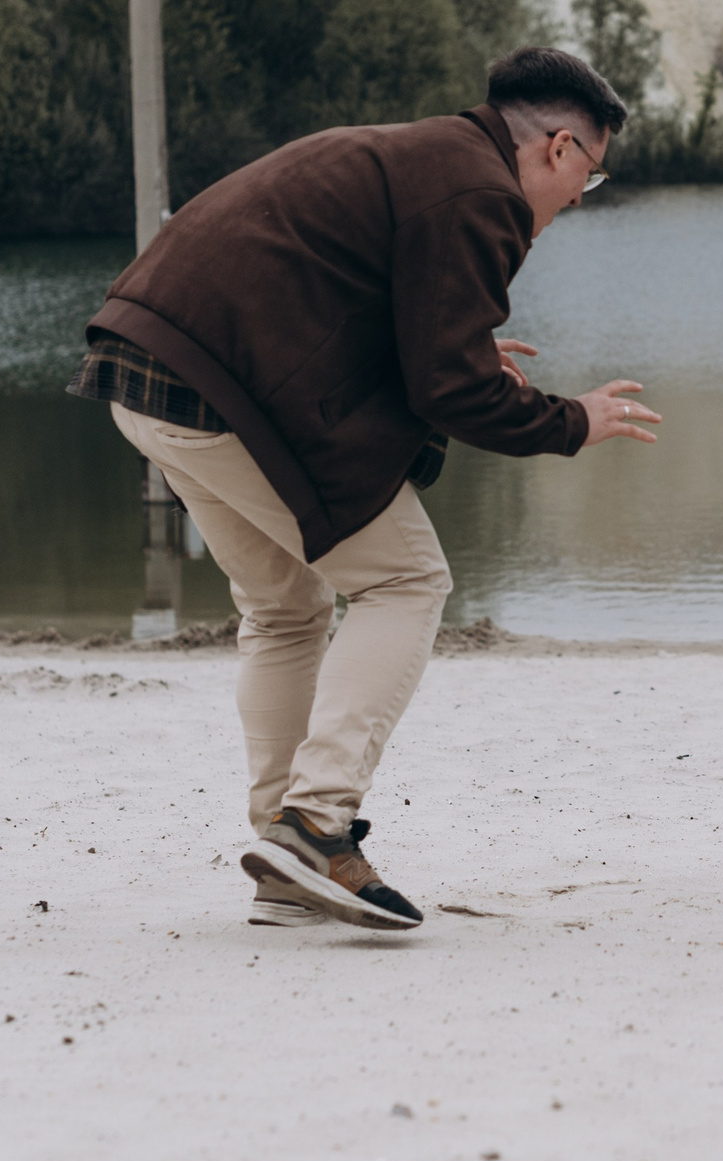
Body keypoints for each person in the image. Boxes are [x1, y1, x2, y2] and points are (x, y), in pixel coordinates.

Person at [67, 47, 662, 933]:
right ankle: (315, 822)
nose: (579, 198)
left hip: (143, 365)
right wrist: (568, 420)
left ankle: (284, 856)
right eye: (593, 175)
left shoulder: (430, 156)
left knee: (285, 605)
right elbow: (448, 393)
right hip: (215, 382)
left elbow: (370, 308)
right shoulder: (483, 193)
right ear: (562, 147)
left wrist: (457, 353)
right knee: (407, 579)